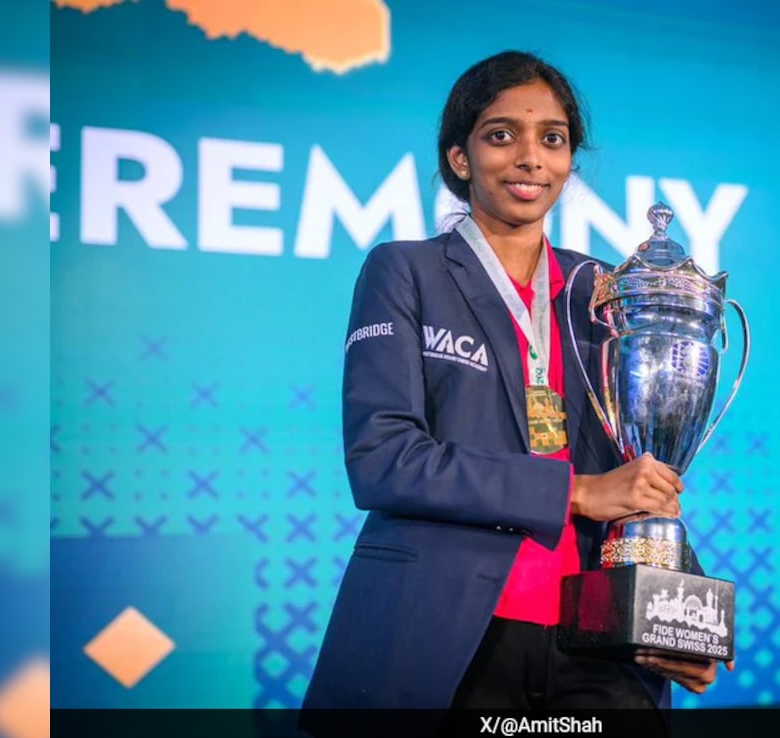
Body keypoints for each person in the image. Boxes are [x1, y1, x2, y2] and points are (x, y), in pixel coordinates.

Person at [299, 50, 732, 730]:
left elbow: (636, 464)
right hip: (451, 634)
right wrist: (575, 492)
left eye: (552, 139)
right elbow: (383, 459)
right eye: (502, 135)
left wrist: (680, 608)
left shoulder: (600, 290)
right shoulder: (404, 271)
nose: (530, 158)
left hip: (598, 641)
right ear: (461, 158)